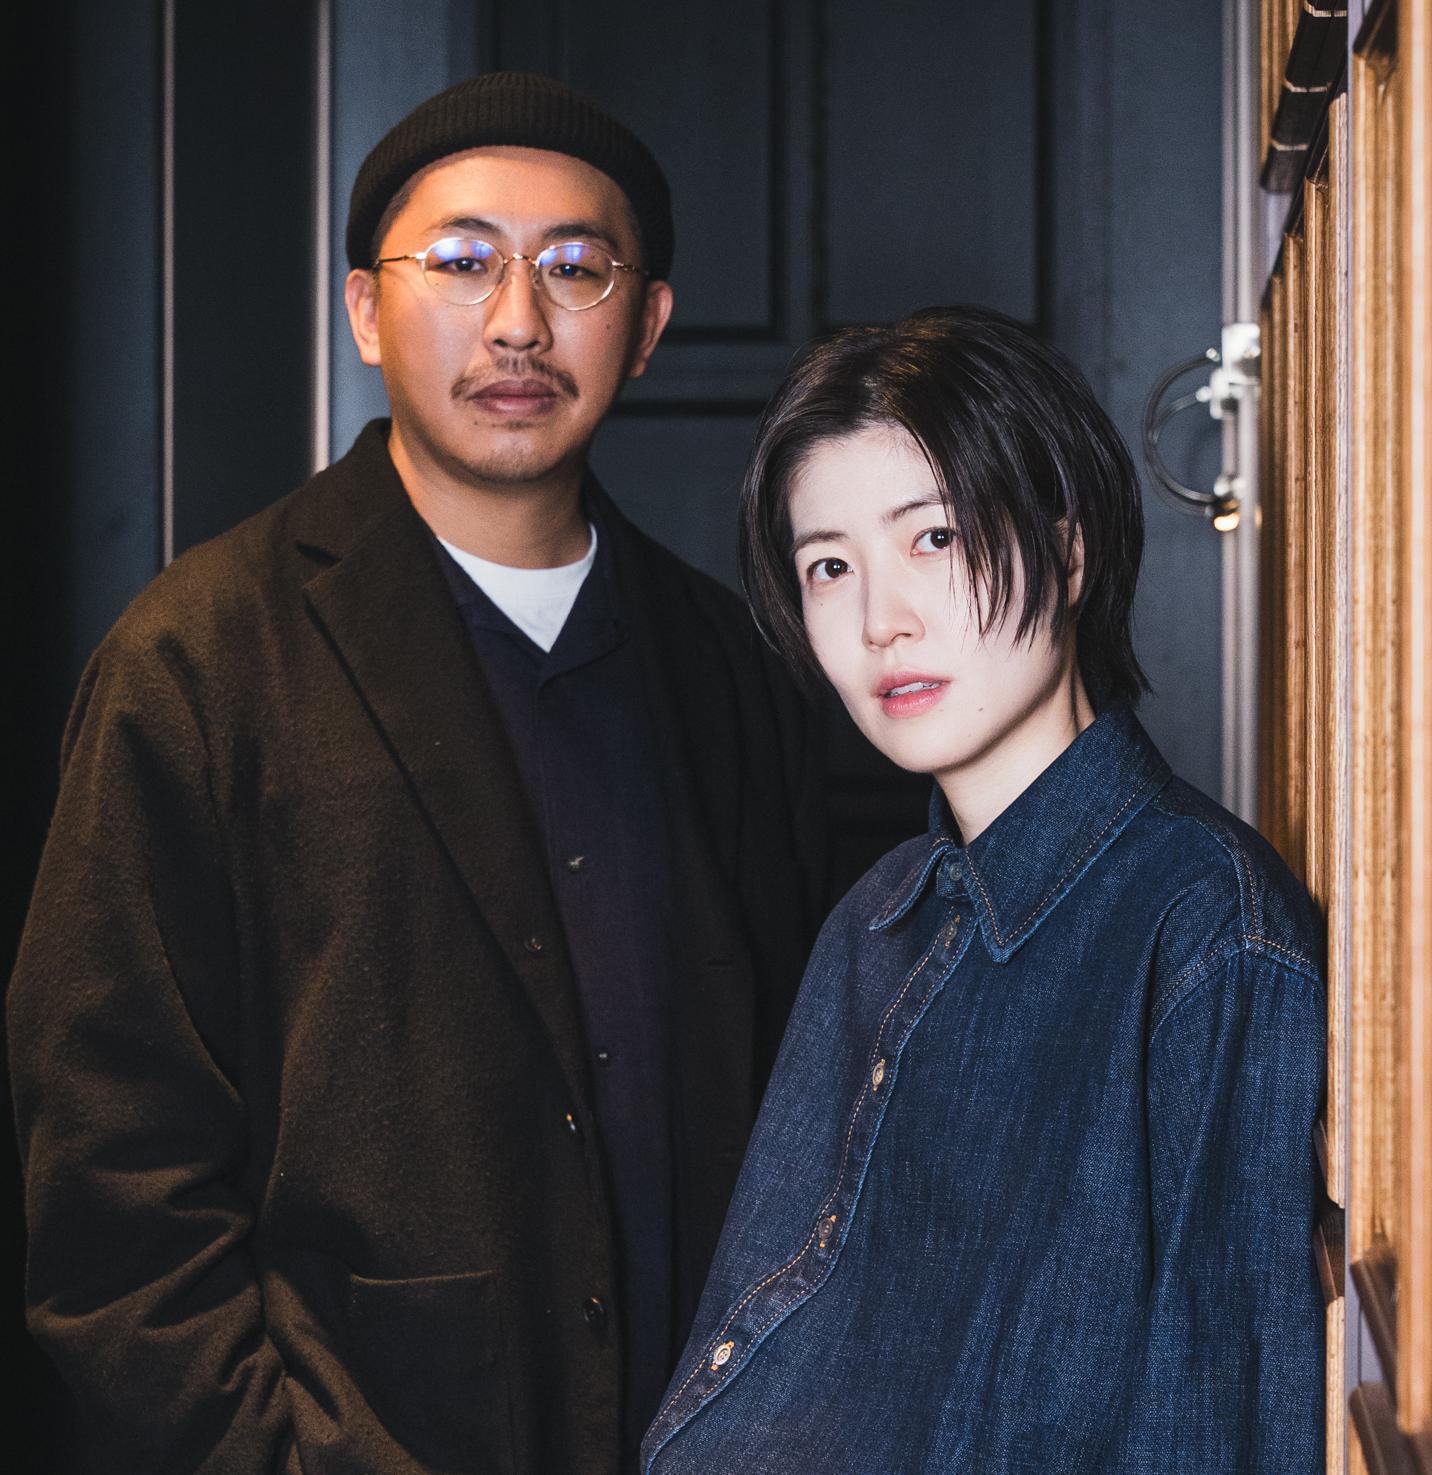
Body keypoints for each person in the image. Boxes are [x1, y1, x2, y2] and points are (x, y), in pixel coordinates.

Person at [8, 72, 825, 1475]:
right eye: (459, 261)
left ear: (646, 326)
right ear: (366, 313)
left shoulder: (730, 664)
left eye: (574, 267)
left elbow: (805, 1106)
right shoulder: (200, 659)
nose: (517, 321)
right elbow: (113, 1184)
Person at [641, 305, 1325, 1473]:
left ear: (1068, 553)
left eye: (935, 538)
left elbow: (1220, 1428)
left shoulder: (1207, 934)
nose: (880, 621)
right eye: (829, 566)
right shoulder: (877, 917)